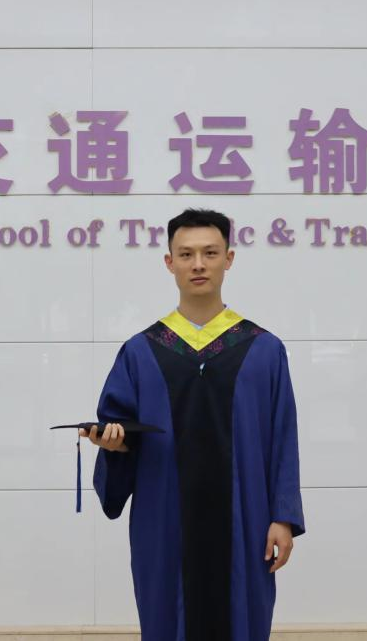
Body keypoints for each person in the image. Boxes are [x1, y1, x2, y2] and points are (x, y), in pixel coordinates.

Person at [80, 208, 305, 641]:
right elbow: (122, 433)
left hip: (246, 520)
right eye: (186, 254)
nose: (198, 264)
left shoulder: (263, 349)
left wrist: (283, 517)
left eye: (210, 253)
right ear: (170, 262)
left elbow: (282, 438)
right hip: (164, 519)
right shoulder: (141, 351)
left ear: (229, 258)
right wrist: (114, 446)